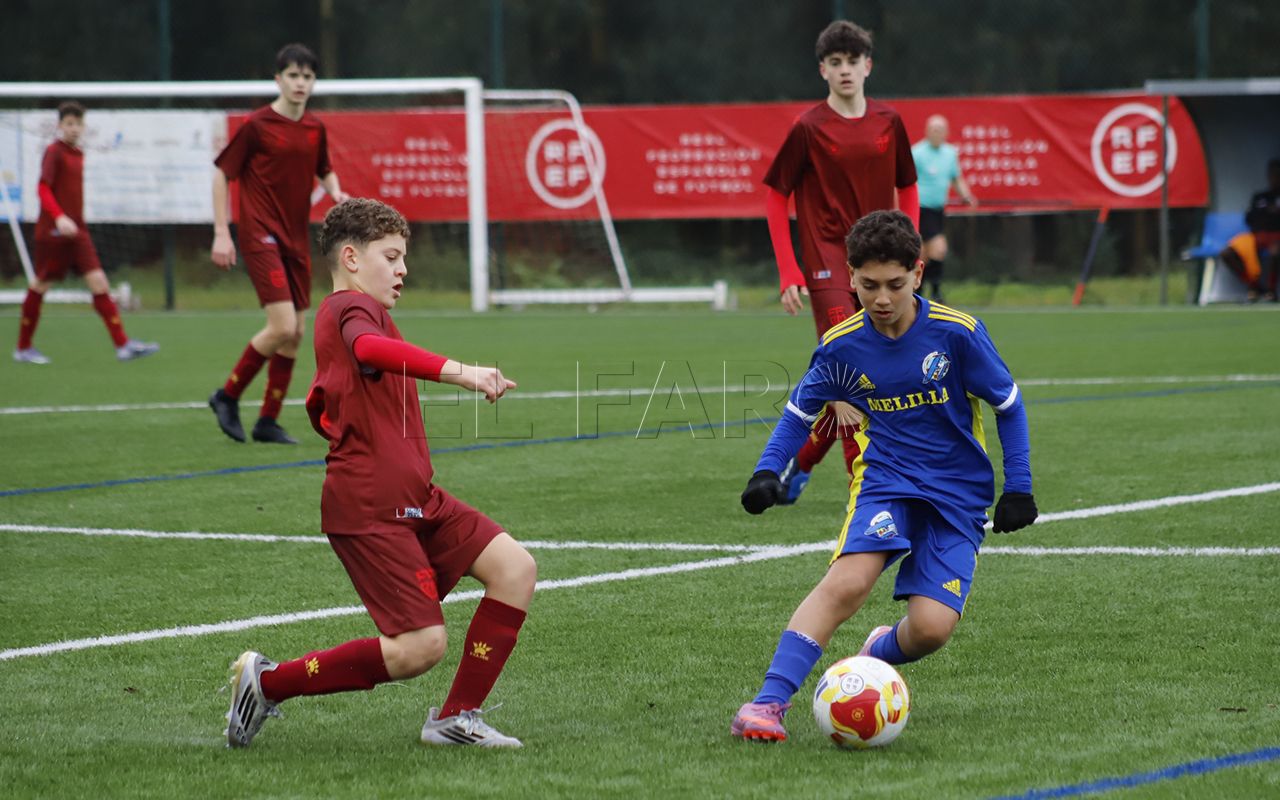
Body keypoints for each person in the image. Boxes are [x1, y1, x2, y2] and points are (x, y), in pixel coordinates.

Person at [224, 198, 535, 749]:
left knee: (514, 569)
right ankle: (268, 683)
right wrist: (462, 373)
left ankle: (456, 718)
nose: (402, 269)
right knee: (419, 648)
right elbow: (370, 348)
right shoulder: (347, 309)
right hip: (370, 506)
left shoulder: (366, 313)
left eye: (402, 258)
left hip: (416, 497)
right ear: (350, 258)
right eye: (390, 257)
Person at [730, 210, 1037, 743]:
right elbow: (799, 414)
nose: (882, 299)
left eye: (895, 284)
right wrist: (766, 471)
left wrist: (1019, 487)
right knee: (847, 582)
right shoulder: (842, 345)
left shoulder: (957, 334)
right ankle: (766, 704)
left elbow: (1008, 405)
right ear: (850, 277)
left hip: (957, 494)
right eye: (868, 285)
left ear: (918, 273)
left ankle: (876, 651)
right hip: (886, 481)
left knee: (931, 630)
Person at [762, 20, 919, 507]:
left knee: (872, 377)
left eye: (853, 61)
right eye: (836, 62)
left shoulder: (889, 121)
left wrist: (910, 254)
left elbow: (908, 186)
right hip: (828, 261)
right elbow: (775, 195)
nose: (845, 70)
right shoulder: (808, 127)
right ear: (823, 71)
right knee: (850, 372)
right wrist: (789, 270)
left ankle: (802, 461)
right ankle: (866, 491)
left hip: (881, 263)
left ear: (868, 66)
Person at [207, 43, 349, 445]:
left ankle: (267, 421)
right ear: (278, 79)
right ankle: (226, 396)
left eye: (307, 76)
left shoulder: (315, 128)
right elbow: (222, 175)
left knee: (296, 332)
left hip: (294, 239)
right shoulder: (257, 125)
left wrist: (336, 192)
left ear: (314, 82)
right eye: (293, 75)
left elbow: (324, 169)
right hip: (259, 233)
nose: (300, 82)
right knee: (282, 324)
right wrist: (221, 232)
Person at [13, 101, 159, 365]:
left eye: (78, 123)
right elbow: (43, 188)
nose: (74, 128)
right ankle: (23, 348)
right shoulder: (54, 152)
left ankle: (123, 346)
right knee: (41, 284)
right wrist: (59, 217)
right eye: (69, 123)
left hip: (78, 232)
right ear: (60, 125)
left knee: (99, 282)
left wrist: (73, 221)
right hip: (53, 232)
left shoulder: (77, 153)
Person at [912, 114, 977, 302]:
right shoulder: (917, 153)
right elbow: (905, 182)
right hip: (920, 209)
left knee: (931, 253)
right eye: (934, 129)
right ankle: (930, 293)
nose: (937, 133)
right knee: (929, 251)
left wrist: (966, 196)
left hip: (937, 211)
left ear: (946, 132)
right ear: (927, 131)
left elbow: (956, 178)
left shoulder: (950, 153)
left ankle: (928, 293)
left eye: (940, 130)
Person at [1219, 158, 1280, 302]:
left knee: (1275, 251)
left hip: (1277, 235)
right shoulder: (1260, 197)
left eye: (1277, 174)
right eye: (1272, 174)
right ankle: (1254, 286)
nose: (1274, 178)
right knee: (1227, 253)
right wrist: (1266, 214)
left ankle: (1271, 290)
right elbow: (1249, 218)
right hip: (1256, 235)